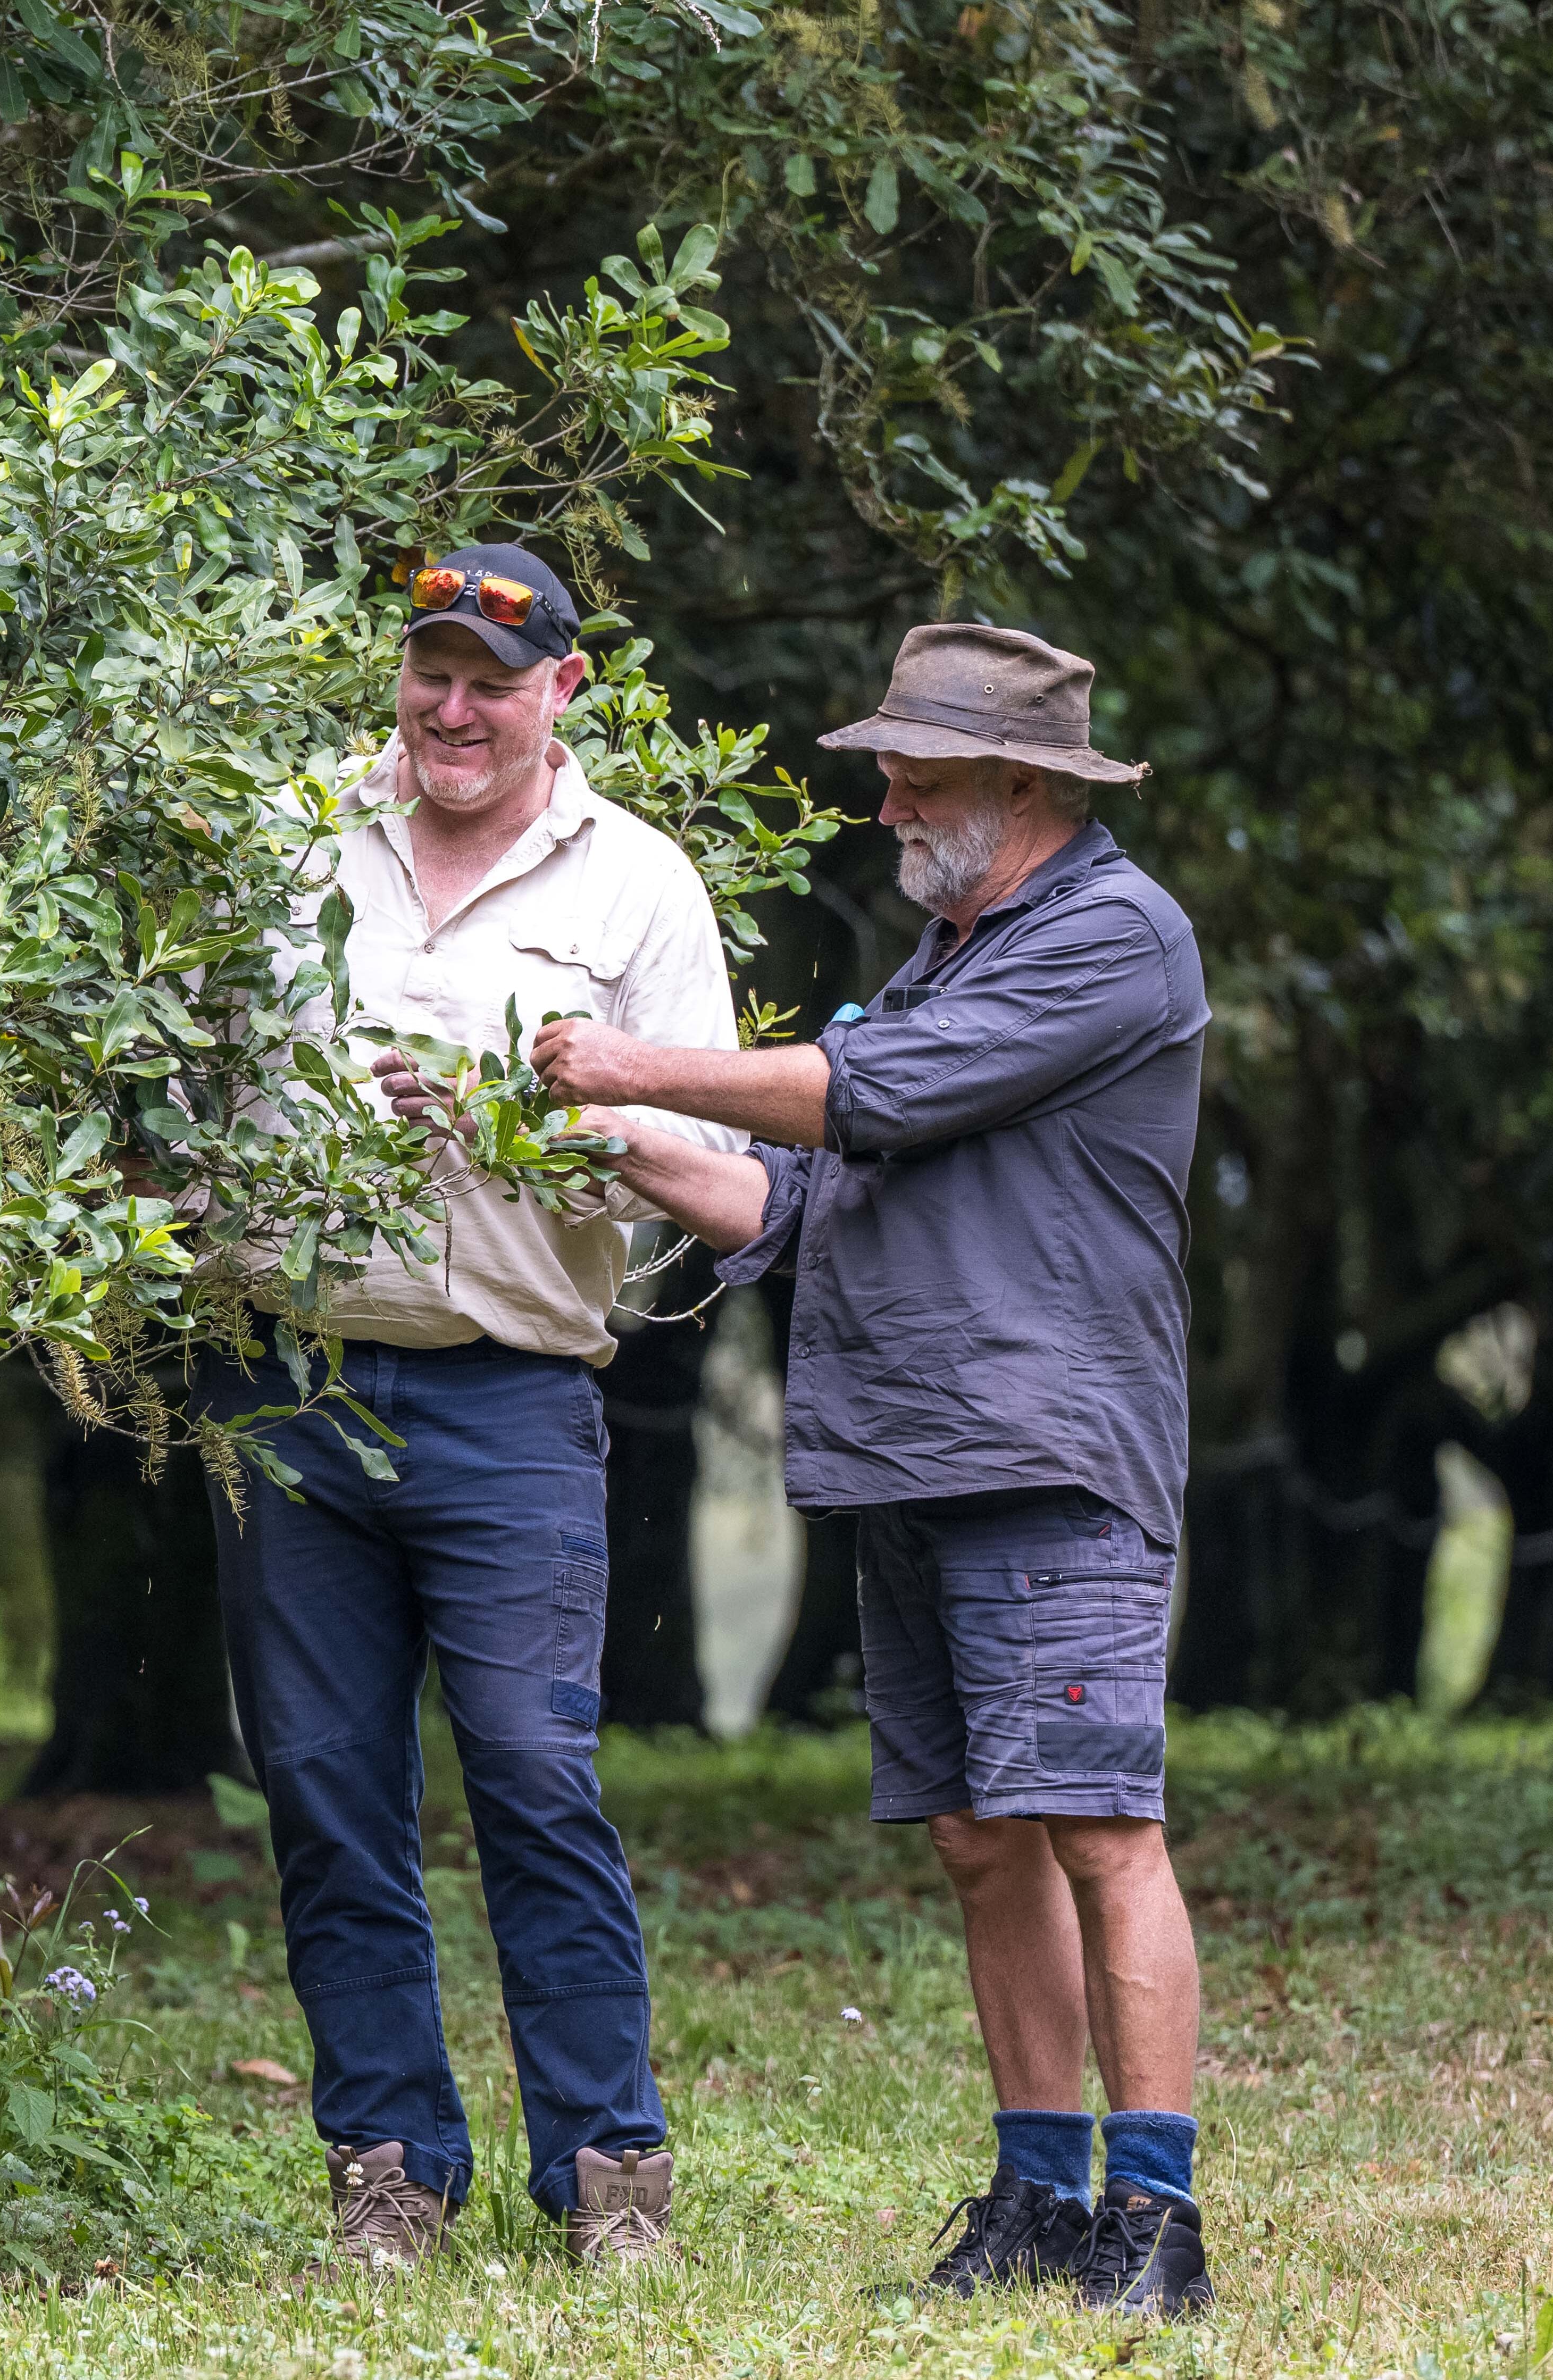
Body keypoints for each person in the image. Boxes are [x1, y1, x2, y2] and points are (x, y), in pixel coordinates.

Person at [532, 621, 1216, 2316]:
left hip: (1048, 1459)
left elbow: (869, 1097)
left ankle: (1158, 2218)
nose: (888, 796)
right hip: (910, 1454)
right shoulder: (949, 953)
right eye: (890, 764)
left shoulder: (1117, 938)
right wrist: (613, 1136)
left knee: (1096, 1824)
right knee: (982, 1838)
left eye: (918, 769)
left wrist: (637, 1059)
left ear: (1027, 784)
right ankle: (1041, 2192)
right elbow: (796, 1201)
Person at [202, 542, 744, 2269]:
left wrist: (562, 1114)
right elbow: (165, 1089)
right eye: (430, 669)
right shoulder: (279, 845)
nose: (453, 709)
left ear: (560, 693)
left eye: (492, 683)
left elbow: (721, 1171)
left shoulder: (641, 885)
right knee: (324, 1784)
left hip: (511, 1397)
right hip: (285, 1388)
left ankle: (610, 2177)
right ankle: (388, 2169)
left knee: (531, 1772)